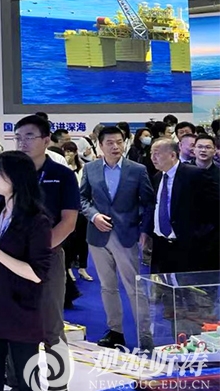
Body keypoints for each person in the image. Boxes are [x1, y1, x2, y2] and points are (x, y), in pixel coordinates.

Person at [0, 151, 52, 391]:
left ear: (16, 178)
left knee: (27, 383)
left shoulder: (37, 220)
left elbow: (37, 273)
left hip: (20, 308)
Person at [11, 114, 79, 391]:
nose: (22, 142)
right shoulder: (11, 173)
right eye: (18, 137)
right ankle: (19, 386)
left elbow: (69, 221)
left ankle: (58, 389)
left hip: (48, 258)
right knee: (14, 326)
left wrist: (39, 250)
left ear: (46, 140)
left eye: (29, 136)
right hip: (12, 261)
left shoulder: (62, 174)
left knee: (52, 328)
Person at [79, 126, 155, 351]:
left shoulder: (137, 169)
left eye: (119, 142)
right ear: (100, 145)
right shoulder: (90, 168)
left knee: (134, 287)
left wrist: (144, 230)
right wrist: (94, 216)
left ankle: (145, 335)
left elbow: (148, 202)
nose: (115, 147)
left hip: (127, 234)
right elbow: (82, 198)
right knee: (107, 286)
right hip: (97, 235)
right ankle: (115, 332)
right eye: (110, 143)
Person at [150, 138, 220, 273]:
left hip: (190, 246)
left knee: (190, 285)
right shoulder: (158, 177)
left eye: (157, 154)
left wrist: (201, 235)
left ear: (172, 155)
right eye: (151, 153)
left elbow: (214, 208)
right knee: (163, 284)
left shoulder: (194, 174)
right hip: (162, 245)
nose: (153, 158)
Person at [61, 142, 92, 285]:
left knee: (83, 240)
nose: (69, 154)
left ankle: (82, 268)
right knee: (69, 240)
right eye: (66, 151)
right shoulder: (62, 169)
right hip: (68, 208)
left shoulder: (83, 168)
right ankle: (68, 268)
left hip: (83, 209)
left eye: (71, 151)